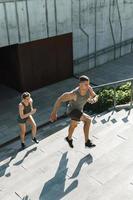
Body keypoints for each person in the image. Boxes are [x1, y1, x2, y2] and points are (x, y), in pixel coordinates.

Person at [50, 75, 98, 148]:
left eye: (88, 84)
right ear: (80, 84)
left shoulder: (89, 89)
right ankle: (87, 142)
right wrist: (54, 113)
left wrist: (94, 100)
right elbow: (60, 99)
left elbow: (95, 96)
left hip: (79, 111)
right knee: (88, 120)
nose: (88, 86)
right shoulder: (73, 94)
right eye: (86, 84)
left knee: (73, 125)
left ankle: (68, 138)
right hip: (72, 111)